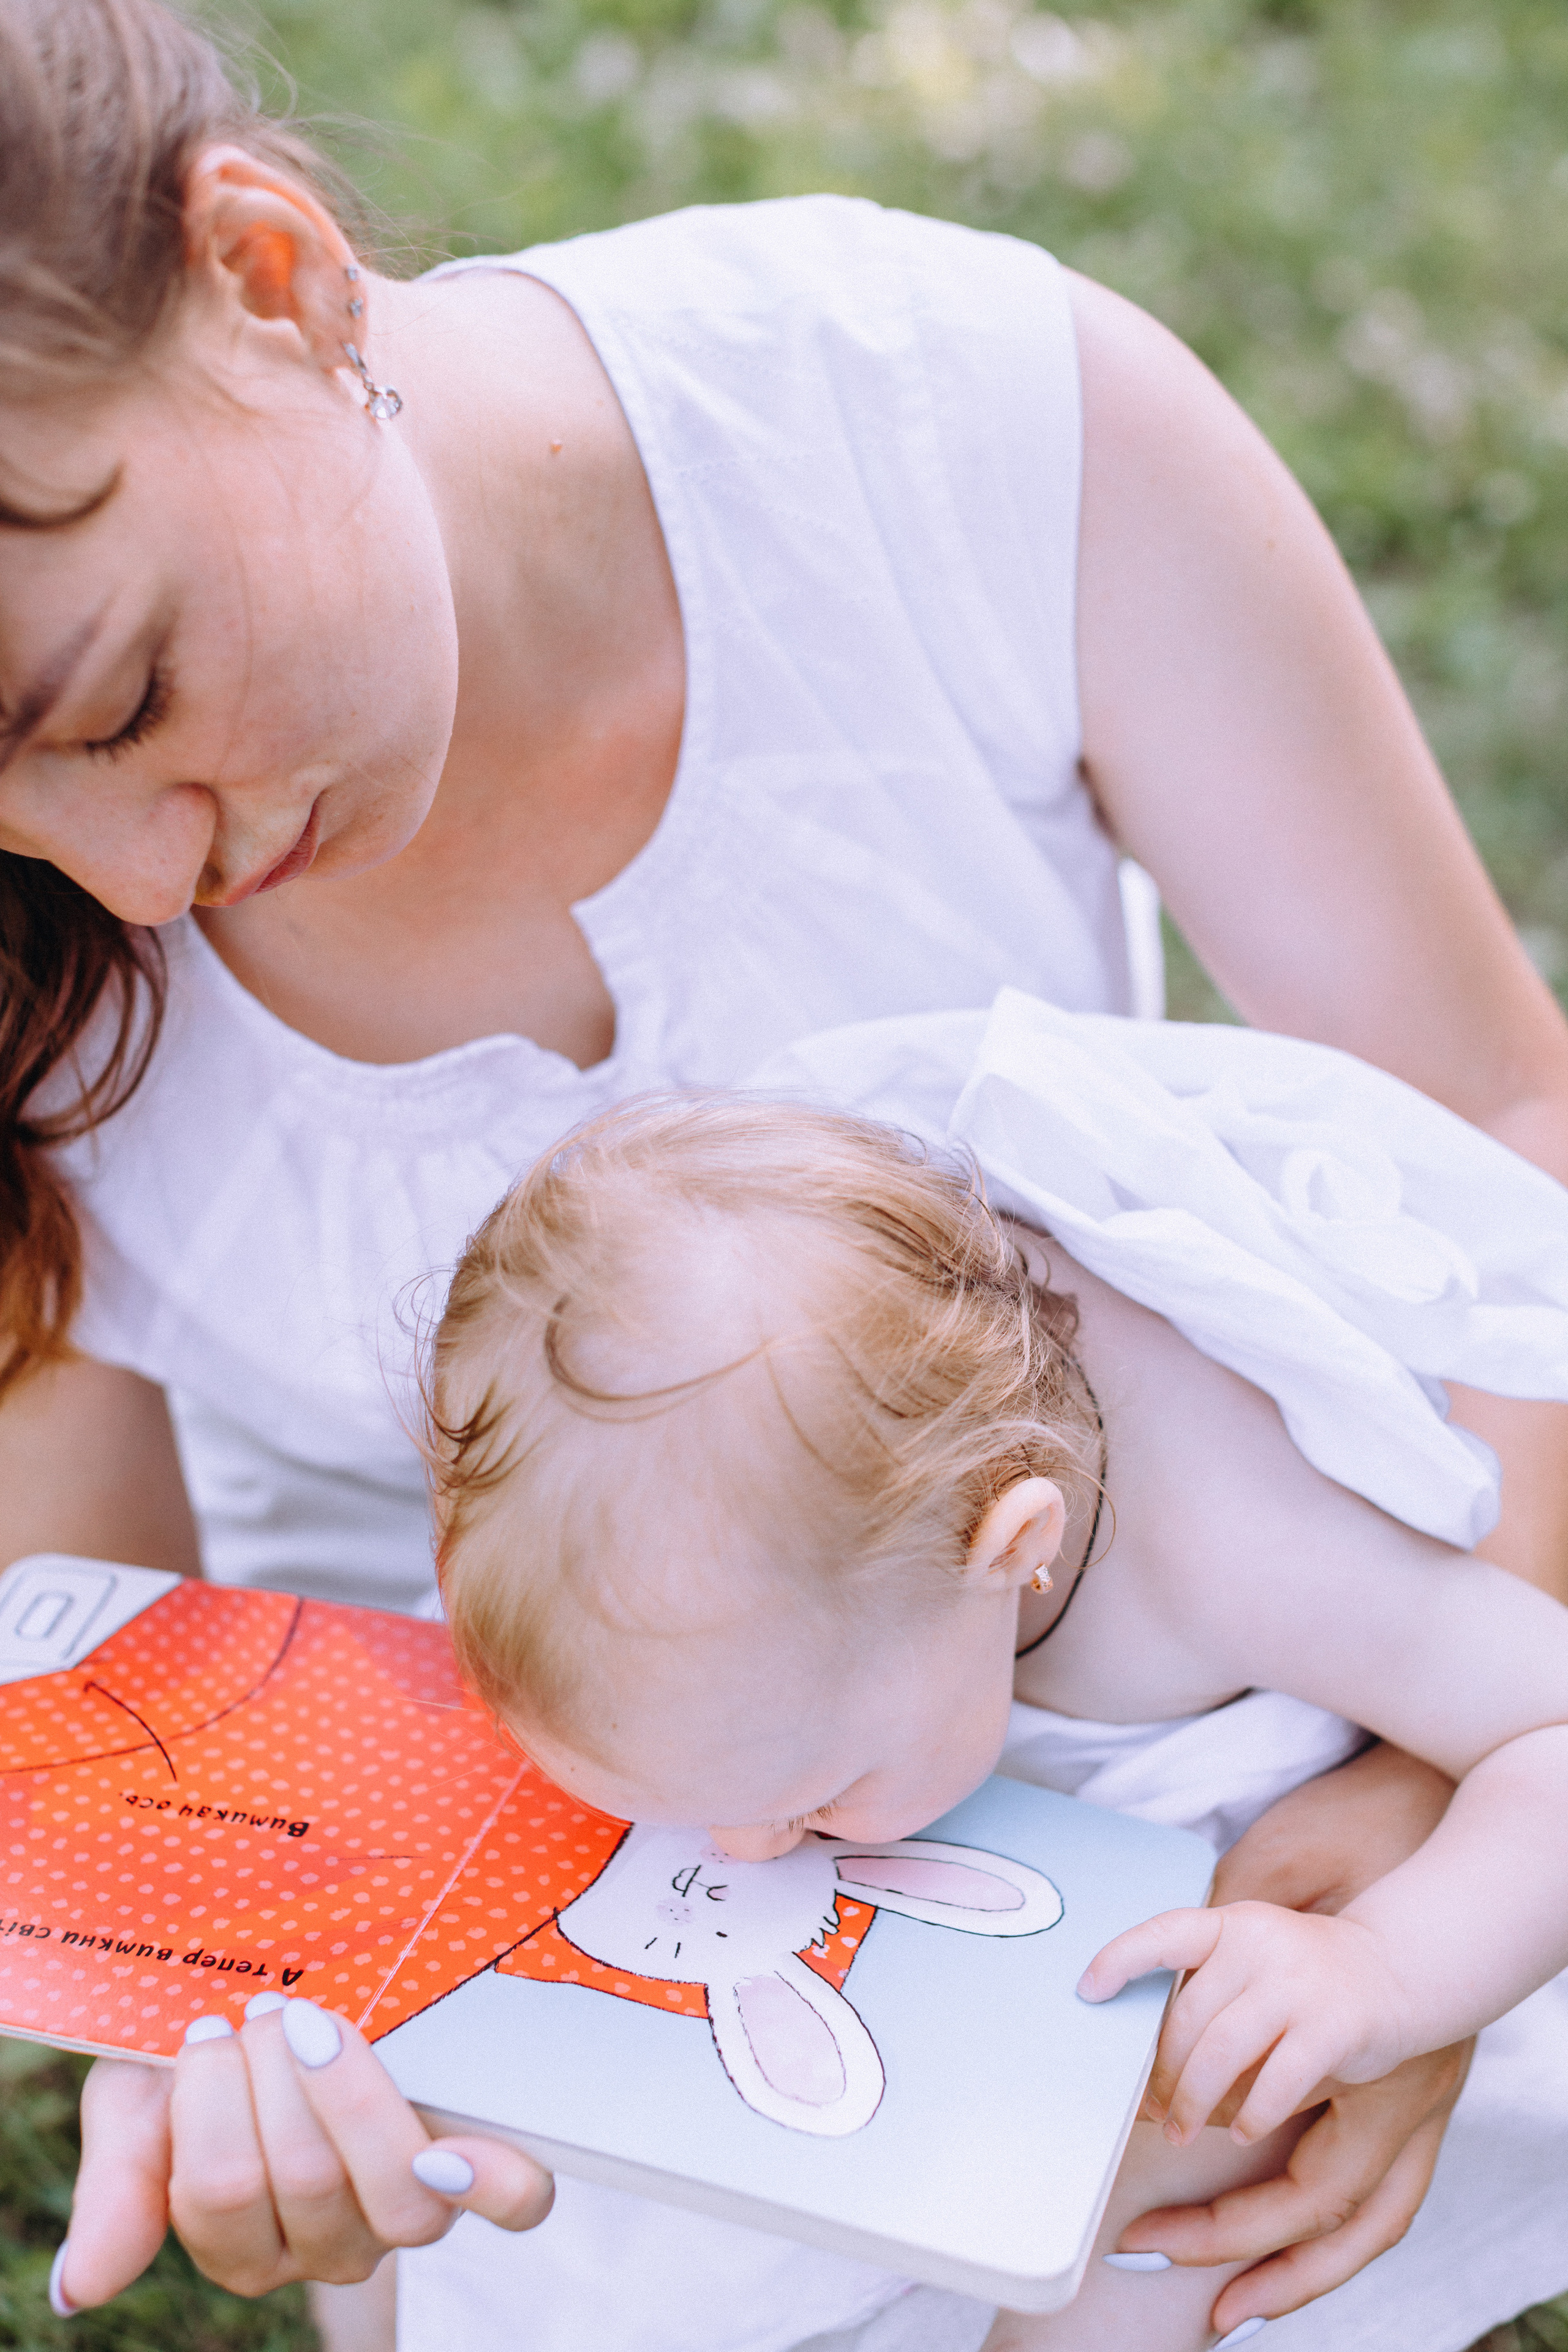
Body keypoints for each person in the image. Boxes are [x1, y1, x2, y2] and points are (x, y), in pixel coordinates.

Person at [1, 0, 1566, 2340]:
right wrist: (196, 2016)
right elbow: (97, 1647)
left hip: (1118, 1606)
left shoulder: (957, 425)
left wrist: (1387, 1877)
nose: (132, 883)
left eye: (119, 697)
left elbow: (1507, 1169)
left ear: (272, 276)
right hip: (538, 1771)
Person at [398, 1070, 1568, 2352]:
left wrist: (1382, 1966)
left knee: (1167, 2170)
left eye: (804, 1793)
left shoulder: (1241, 1538)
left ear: (1011, 1545)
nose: (745, 1846)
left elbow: (1547, 1733)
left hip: (1244, 1823)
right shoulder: (763, 1452)